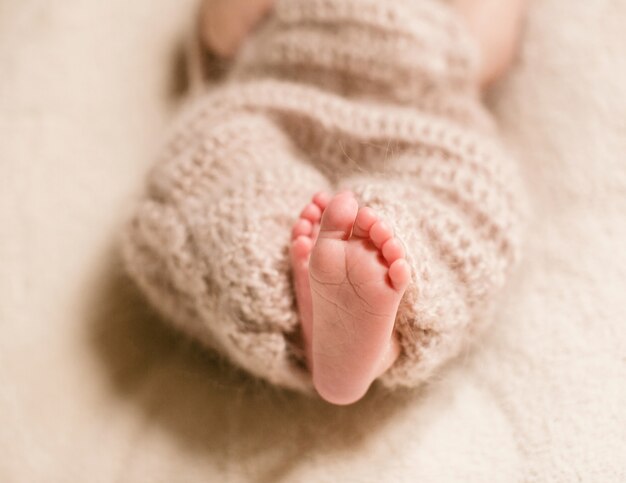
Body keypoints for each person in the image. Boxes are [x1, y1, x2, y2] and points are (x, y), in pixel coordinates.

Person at [123, 0, 527, 405]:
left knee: (472, 193)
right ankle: (309, 312)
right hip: (276, 110)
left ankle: (384, 314)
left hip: (422, 127)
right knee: (215, 166)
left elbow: (486, 53)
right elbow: (221, 34)